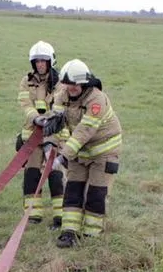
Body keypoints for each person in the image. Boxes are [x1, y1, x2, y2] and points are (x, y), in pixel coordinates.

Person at [43, 59, 122, 248]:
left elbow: (84, 131)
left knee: (95, 193)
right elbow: (55, 122)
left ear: (85, 83)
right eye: (67, 84)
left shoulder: (97, 100)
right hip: (79, 152)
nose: (71, 88)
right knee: (73, 190)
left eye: (75, 85)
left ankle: (92, 236)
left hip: (103, 152)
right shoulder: (62, 95)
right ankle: (69, 233)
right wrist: (49, 145)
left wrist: (63, 156)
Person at [17, 41, 65, 227]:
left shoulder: (60, 83)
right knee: (32, 172)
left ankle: (61, 215)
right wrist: (36, 118)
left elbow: (60, 110)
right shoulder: (26, 81)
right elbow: (25, 105)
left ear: (50, 61)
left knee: (55, 174)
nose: (40, 64)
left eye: (43, 61)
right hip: (33, 135)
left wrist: (48, 128)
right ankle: (33, 214)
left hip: (54, 135)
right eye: (36, 61)